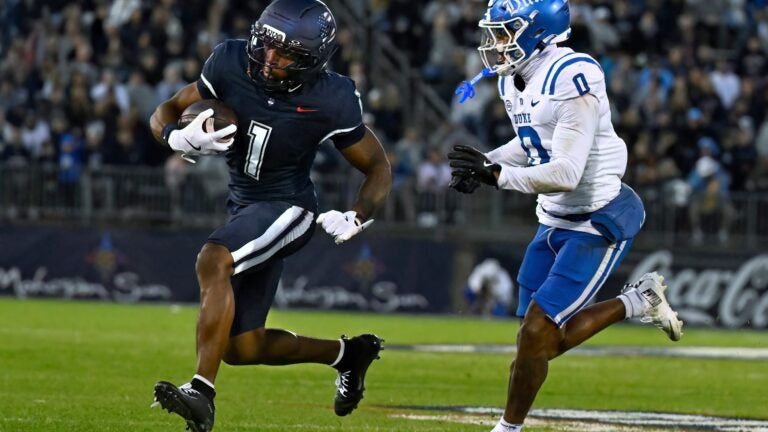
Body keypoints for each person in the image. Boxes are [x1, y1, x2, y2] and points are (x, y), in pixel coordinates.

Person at [148, 1, 392, 431]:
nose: (269, 58)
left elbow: (377, 166)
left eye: (285, 54)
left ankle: (201, 393)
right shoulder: (229, 62)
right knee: (241, 347)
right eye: (265, 45)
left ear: (312, 59)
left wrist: (358, 213)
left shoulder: (331, 97)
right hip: (244, 206)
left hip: (290, 207)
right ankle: (348, 354)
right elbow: (165, 110)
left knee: (213, 259)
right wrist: (175, 137)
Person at [447, 1, 683, 431]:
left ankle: (507, 428)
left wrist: (497, 176)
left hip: (597, 215)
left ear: (538, 31)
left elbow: (568, 173)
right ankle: (637, 300)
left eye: (506, 32)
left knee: (536, 335)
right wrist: (486, 162)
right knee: (533, 340)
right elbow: (533, 142)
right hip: (553, 217)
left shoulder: (573, 74)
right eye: (495, 32)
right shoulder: (513, 79)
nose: (496, 43)